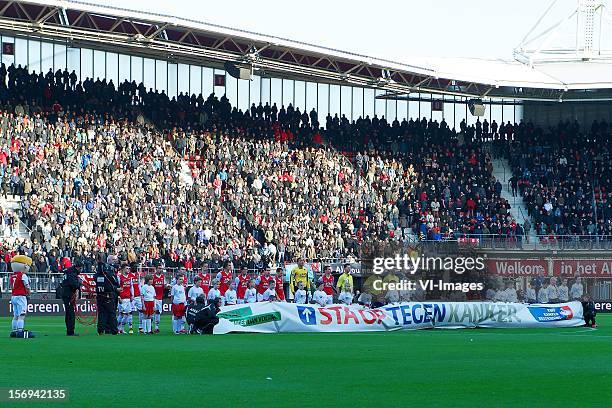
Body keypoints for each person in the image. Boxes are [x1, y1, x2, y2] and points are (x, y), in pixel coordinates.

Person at [94, 264, 119, 335]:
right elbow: (113, 284)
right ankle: (114, 330)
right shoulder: (108, 276)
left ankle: (100, 330)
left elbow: (95, 276)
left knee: (101, 314)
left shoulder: (96, 276)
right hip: (108, 297)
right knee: (112, 314)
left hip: (100, 297)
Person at [9, 255, 31, 333]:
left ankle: (14, 330)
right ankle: (20, 330)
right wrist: (29, 293)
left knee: (15, 315)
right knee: (22, 315)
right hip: (21, 296)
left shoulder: (12, 276)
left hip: (13, 296)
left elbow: (11, 286)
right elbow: (27, 286)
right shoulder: (23, 275)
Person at [60, 260, 83, 336]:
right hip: (68, 294)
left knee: (69, 313)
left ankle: (69, 330)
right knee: (71, 314)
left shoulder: (68, 271)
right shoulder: (72, 273)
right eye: (80, 269)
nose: (81, 270)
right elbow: (74, 284)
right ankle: (70, 331)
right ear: (77, 268)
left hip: (66, 293)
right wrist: (79, 282)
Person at [117, 264, 134, 334]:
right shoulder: (119, 277)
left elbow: (131, 287)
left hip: (128, 298)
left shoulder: (130, 278)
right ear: (123, 269)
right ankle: (117, 328)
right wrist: (118, 297)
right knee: (122, 314)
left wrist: (132, 295)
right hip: (122, 298)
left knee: (127, 314)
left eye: (129, 268)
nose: (128, 270)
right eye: (127, 268)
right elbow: (117, 287)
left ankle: (122, 328)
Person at [152, 265, 167, 333]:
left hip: (160, 297)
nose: (160, 270)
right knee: (152, 312)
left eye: (161, 268)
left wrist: (168, 287)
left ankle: (156, 327)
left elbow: (164, 285)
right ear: (156, 269)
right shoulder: (153, 277)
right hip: (153, 298)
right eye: (159, 268)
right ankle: (150, 326)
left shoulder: (163, 277)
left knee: (158, 312)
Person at [129, 265, 144, 333]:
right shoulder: (128, 275)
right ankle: (130, 327)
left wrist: (141, 294)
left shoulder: (138, 275)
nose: (135, 268)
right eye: (134, 267)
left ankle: (140, 327)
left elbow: (139, 285)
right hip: (131, 296)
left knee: (141, 310)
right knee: (130, 312)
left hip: (138, 295)